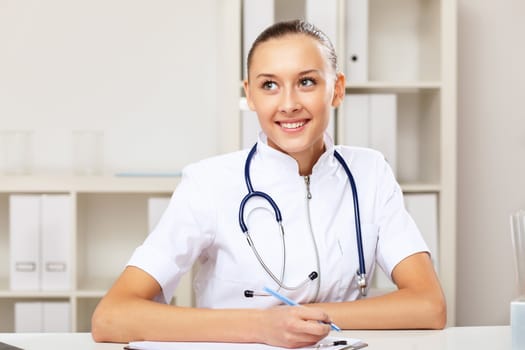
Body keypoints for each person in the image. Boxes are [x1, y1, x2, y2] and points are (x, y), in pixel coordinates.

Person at [91, 19, 446, 348]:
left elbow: (428, 305)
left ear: (336, 89)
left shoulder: (370, 172)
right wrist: (262, 327)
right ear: (250, 95)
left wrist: (301, 321)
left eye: (306, 81)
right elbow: (112, 316)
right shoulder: (209, 183)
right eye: (269, 85)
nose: (289, 104)